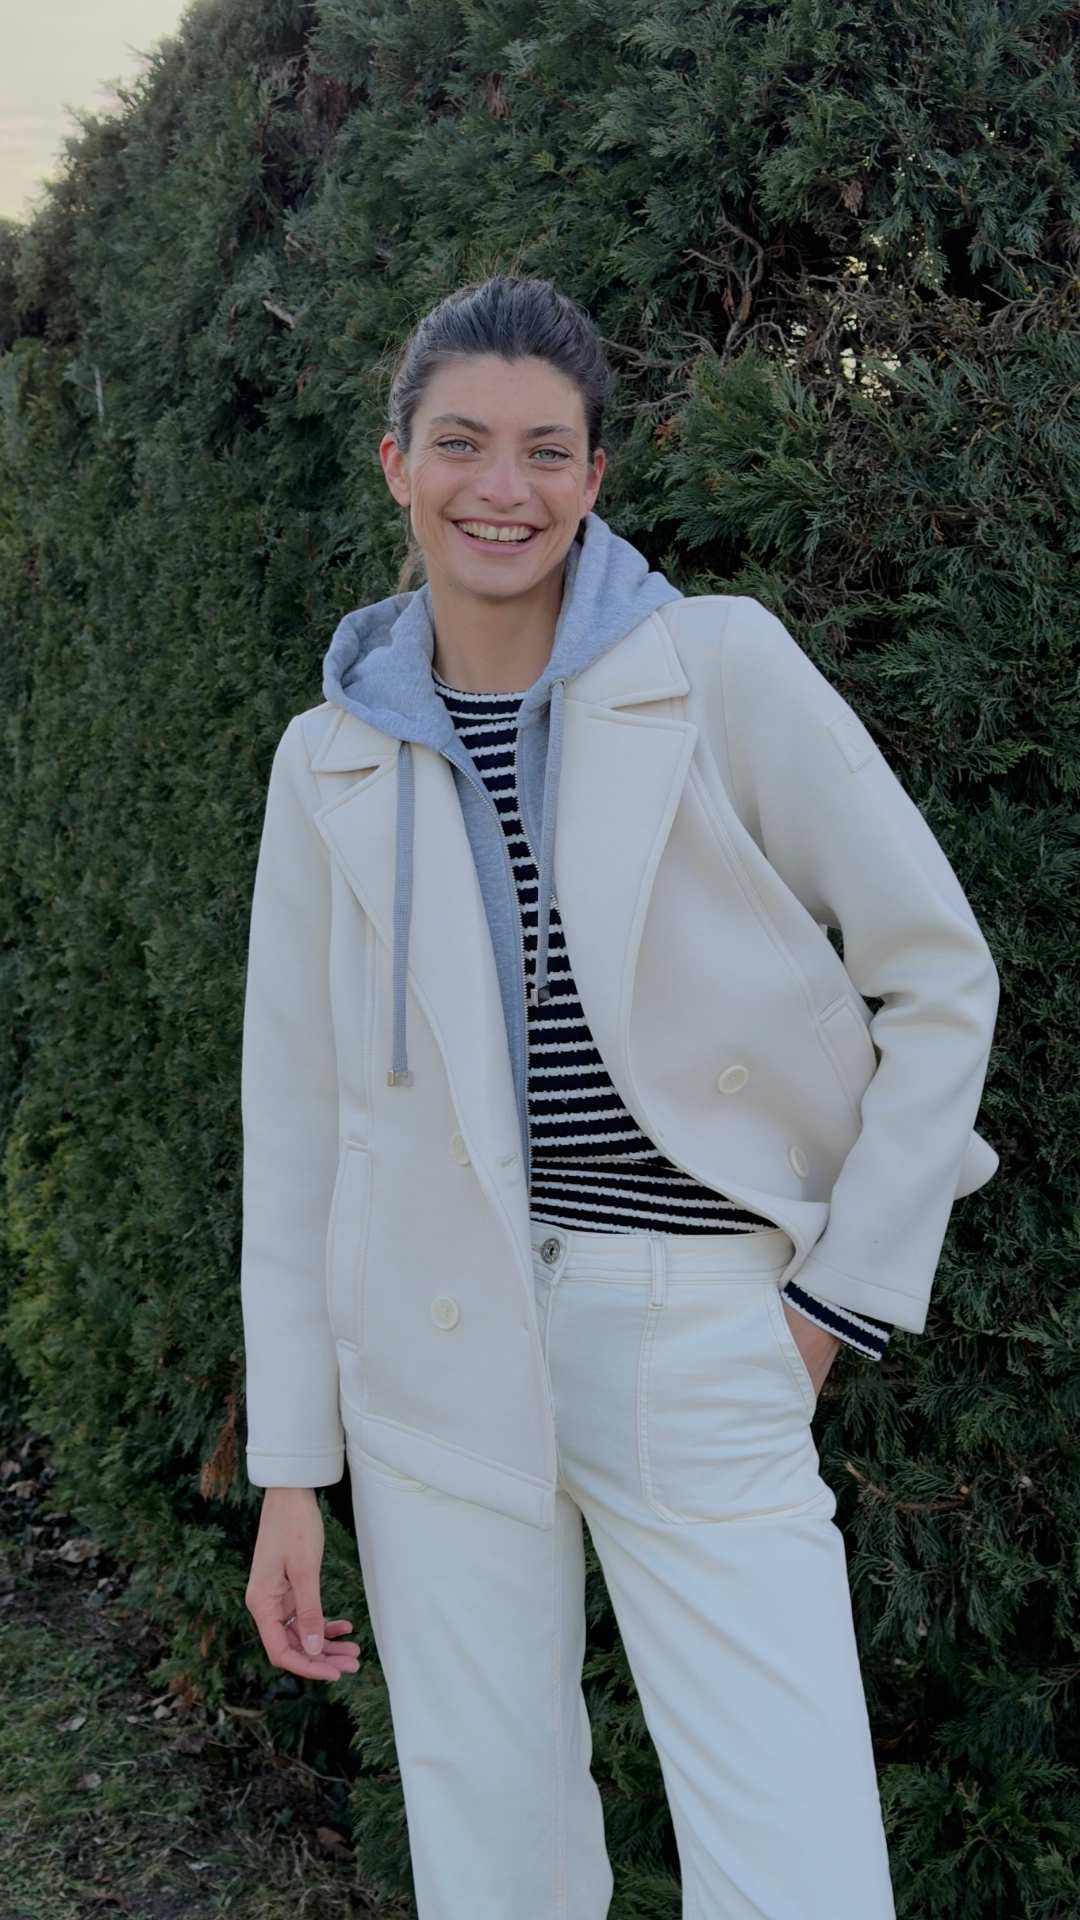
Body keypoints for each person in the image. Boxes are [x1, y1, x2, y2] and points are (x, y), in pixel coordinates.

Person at [241, 274, 1000, 1919]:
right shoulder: (327, 759)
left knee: (800, 1873)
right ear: (397, 463)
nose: (499, 488)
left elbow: (941, 975)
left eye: (544, 450)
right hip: (433, 1351)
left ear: (594, 476)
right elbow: (294, 1124)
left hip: (698, 1336)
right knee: (492, 1866)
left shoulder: (713, 666)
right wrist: (292, 1468)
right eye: (460, 443)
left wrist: (831, 1307)